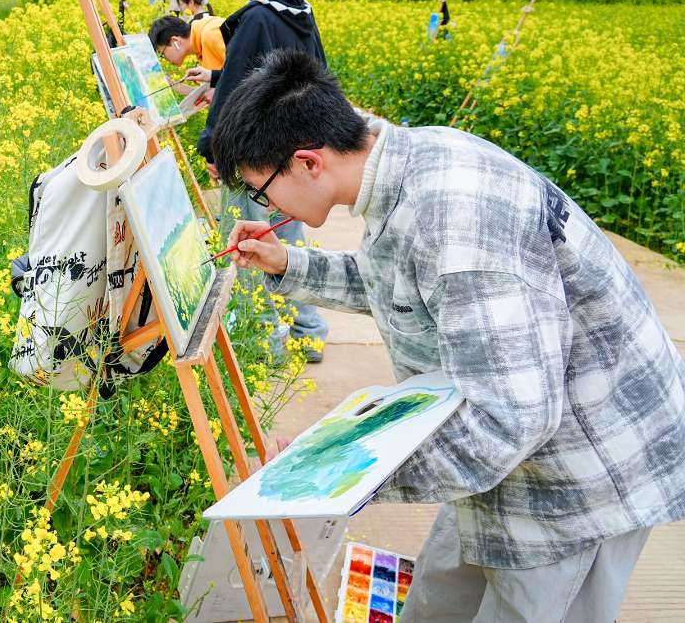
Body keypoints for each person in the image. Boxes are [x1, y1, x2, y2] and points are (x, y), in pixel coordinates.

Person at [211, 47, 685, 623]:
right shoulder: (404, 164)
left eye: (264, 191)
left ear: (308, 162)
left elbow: (512, 420)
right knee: (437, 599)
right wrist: (289, 264)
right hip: (504, 460)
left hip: (575, 481)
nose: (268, 205)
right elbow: (402, 285)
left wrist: (336, 471)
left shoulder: (456, 222)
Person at [199, 0, 330, 360]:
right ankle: (307, 333)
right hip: (294, 156)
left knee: (246, 245)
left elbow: (240, 87)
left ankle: (264, 343)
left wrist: (215, 146)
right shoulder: (301, 13)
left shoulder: (257, 15)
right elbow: (307, 75)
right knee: (288, 243)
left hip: (257, 155)